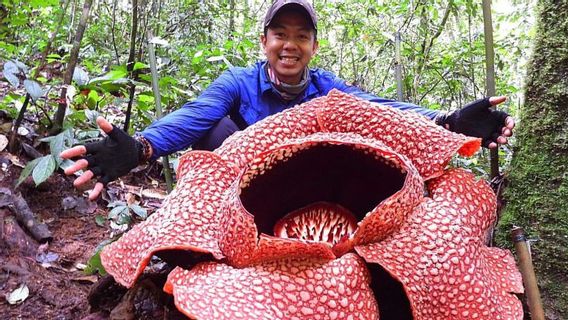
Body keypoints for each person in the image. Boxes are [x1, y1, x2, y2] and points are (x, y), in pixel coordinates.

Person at [61, 0, 515, 200]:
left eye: (301, 36)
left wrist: (445, 121)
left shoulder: (328, 91)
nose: (289, 45)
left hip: (301, 192)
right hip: (235, 190)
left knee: (358, 131)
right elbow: (192, 116)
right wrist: (142, 147)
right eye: (281, 34)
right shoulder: (237, 82)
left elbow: (381, 107)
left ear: (313, 46)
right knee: (215, 127)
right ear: (265, 41)